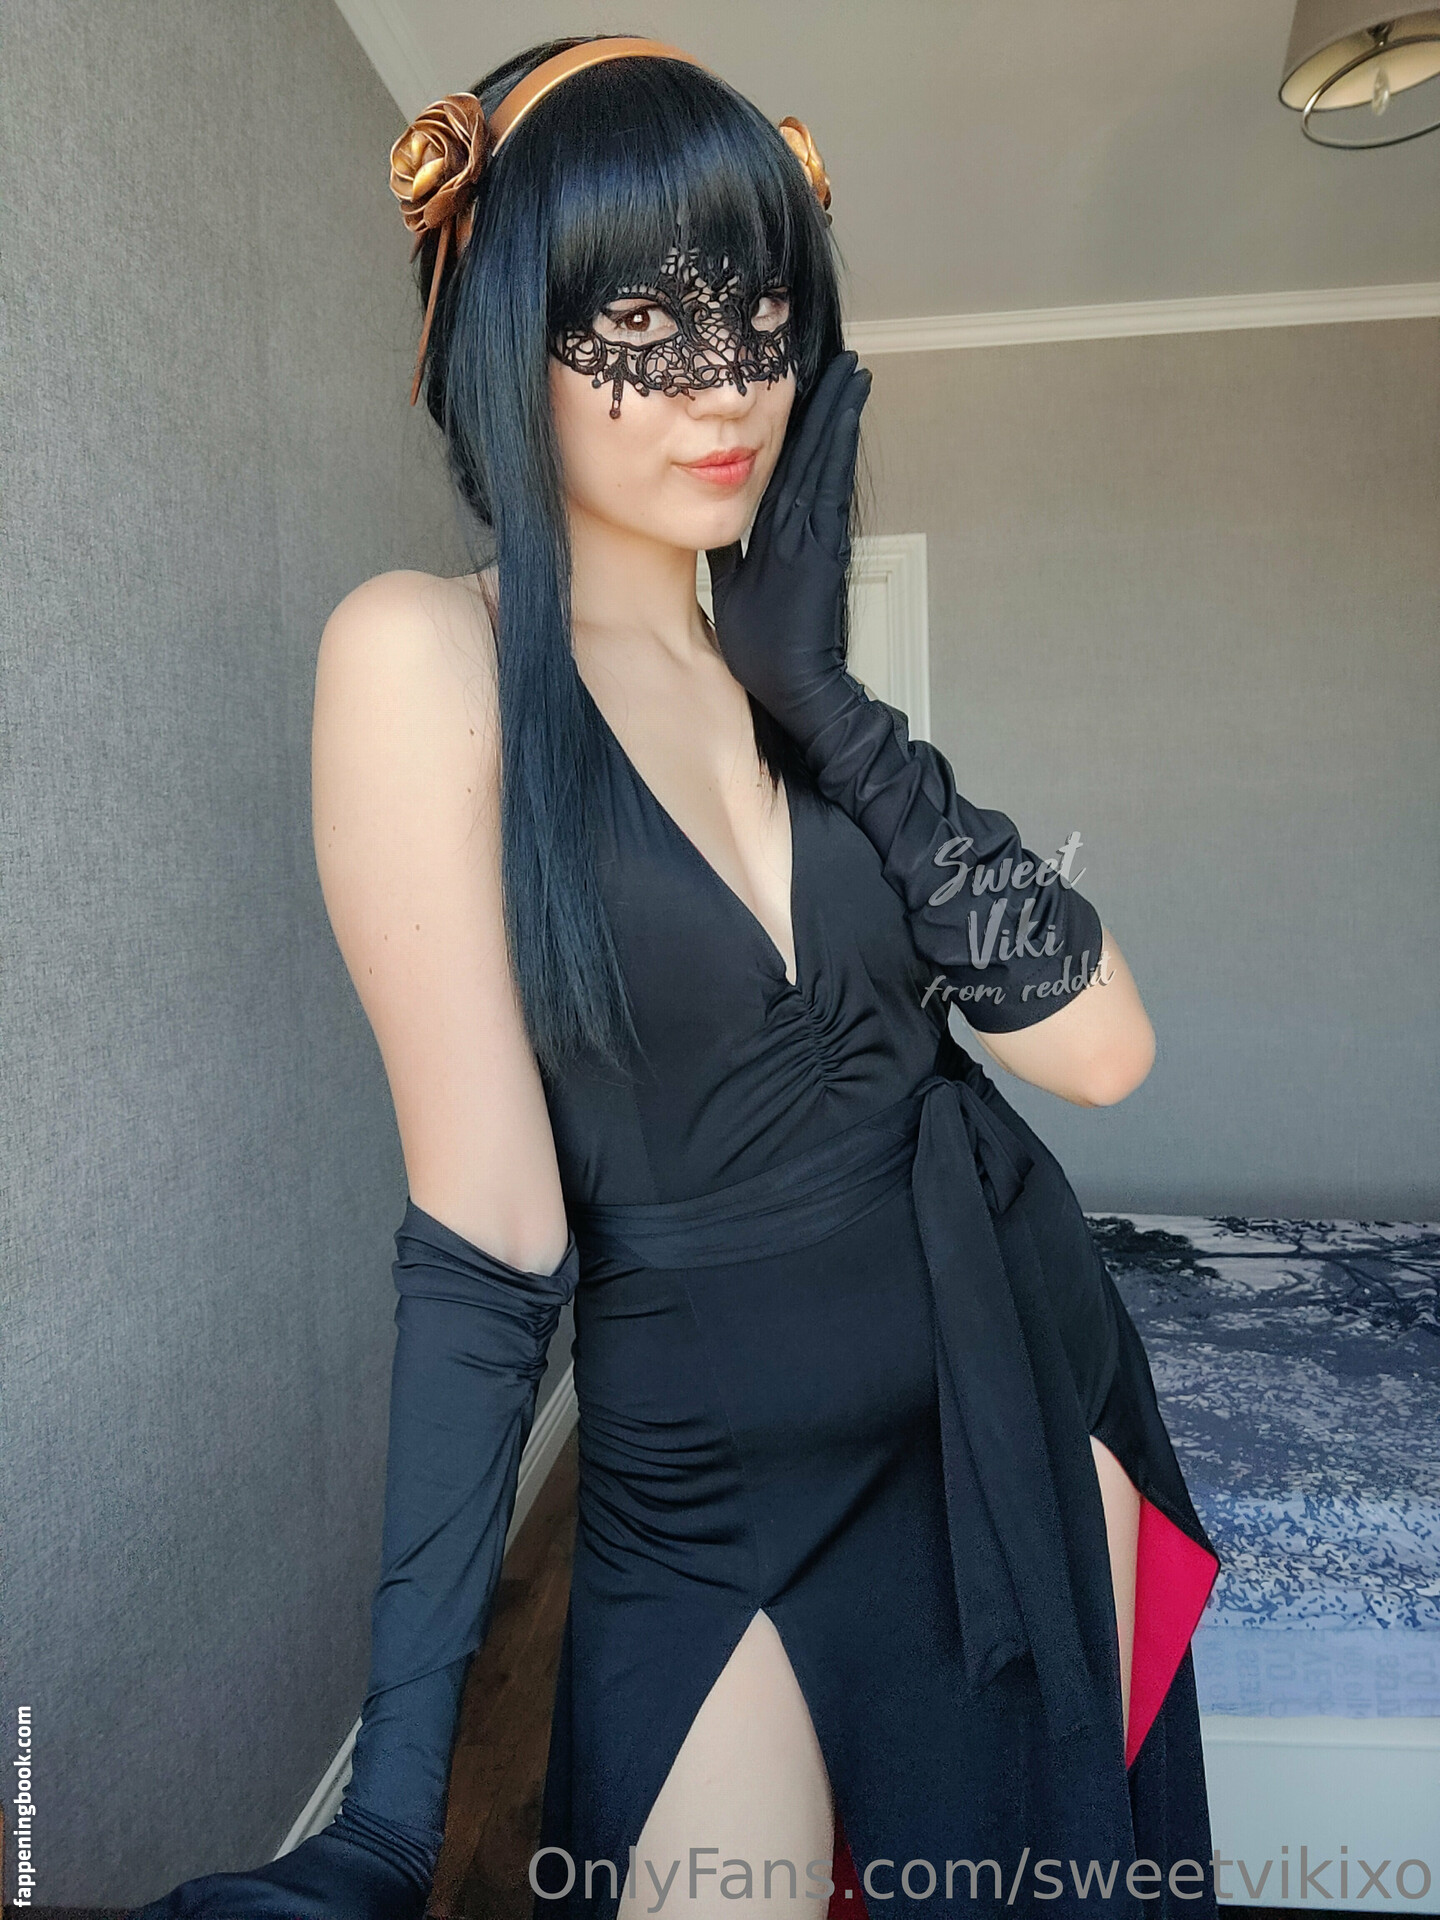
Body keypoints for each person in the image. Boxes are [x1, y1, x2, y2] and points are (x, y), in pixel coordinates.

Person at [130, 34, 1222, 1920]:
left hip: (1011, 1385)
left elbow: (1106, 1050)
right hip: (711, 1483)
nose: (725, 384)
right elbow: (487, 1235)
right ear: (502, 339)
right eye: (639, 323)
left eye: (763, 315)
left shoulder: (787, 686)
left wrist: (827, 696)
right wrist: (391, 1809)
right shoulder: (422, 657)